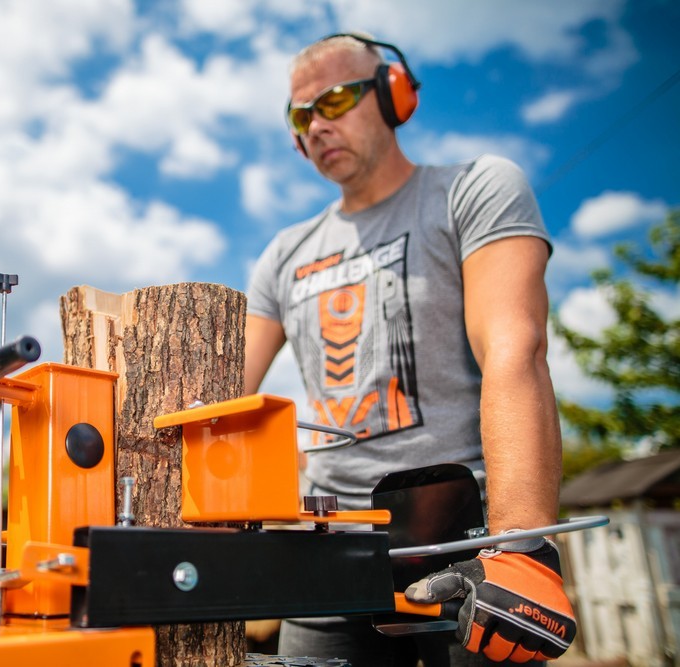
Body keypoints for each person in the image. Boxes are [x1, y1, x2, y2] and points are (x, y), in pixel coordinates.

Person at [244, 33, 575, 665]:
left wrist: (521, 545)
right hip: (331, 548)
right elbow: (222, 392)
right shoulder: (283, 255)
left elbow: (515, 347)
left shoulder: (472, 190)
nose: (316, 125)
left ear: (394, 95)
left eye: (334, 100)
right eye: (300, 115)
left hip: (470, 547)